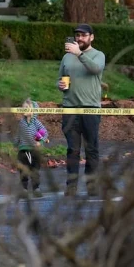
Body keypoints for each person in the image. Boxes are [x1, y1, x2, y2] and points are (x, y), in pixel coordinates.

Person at [57, 24, 106, 197]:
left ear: (91, 37)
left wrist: (79, 54)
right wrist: (60, 85)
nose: (79, 38)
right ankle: (71, 187)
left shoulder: (98, 55)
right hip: (70, 108)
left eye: (83, 35)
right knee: (73, 149)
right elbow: (59, 79)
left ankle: (92, 185)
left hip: (91, 108)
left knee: (91, 148)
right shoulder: (66, 58)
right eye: (77, 35)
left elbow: (95, 69)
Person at [13, 98, 49, 198]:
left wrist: (40, 141)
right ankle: (24, 189)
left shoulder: (36, 123)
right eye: (23, 107)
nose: (24, 109)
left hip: (34, 151)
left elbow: (44, 132)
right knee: (23, 170)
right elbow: (17, 135)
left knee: (35, 170)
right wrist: (15, 145)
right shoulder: (21, 123)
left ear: (33, 110)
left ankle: (36, 188)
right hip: (23, 150)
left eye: (26, 107)